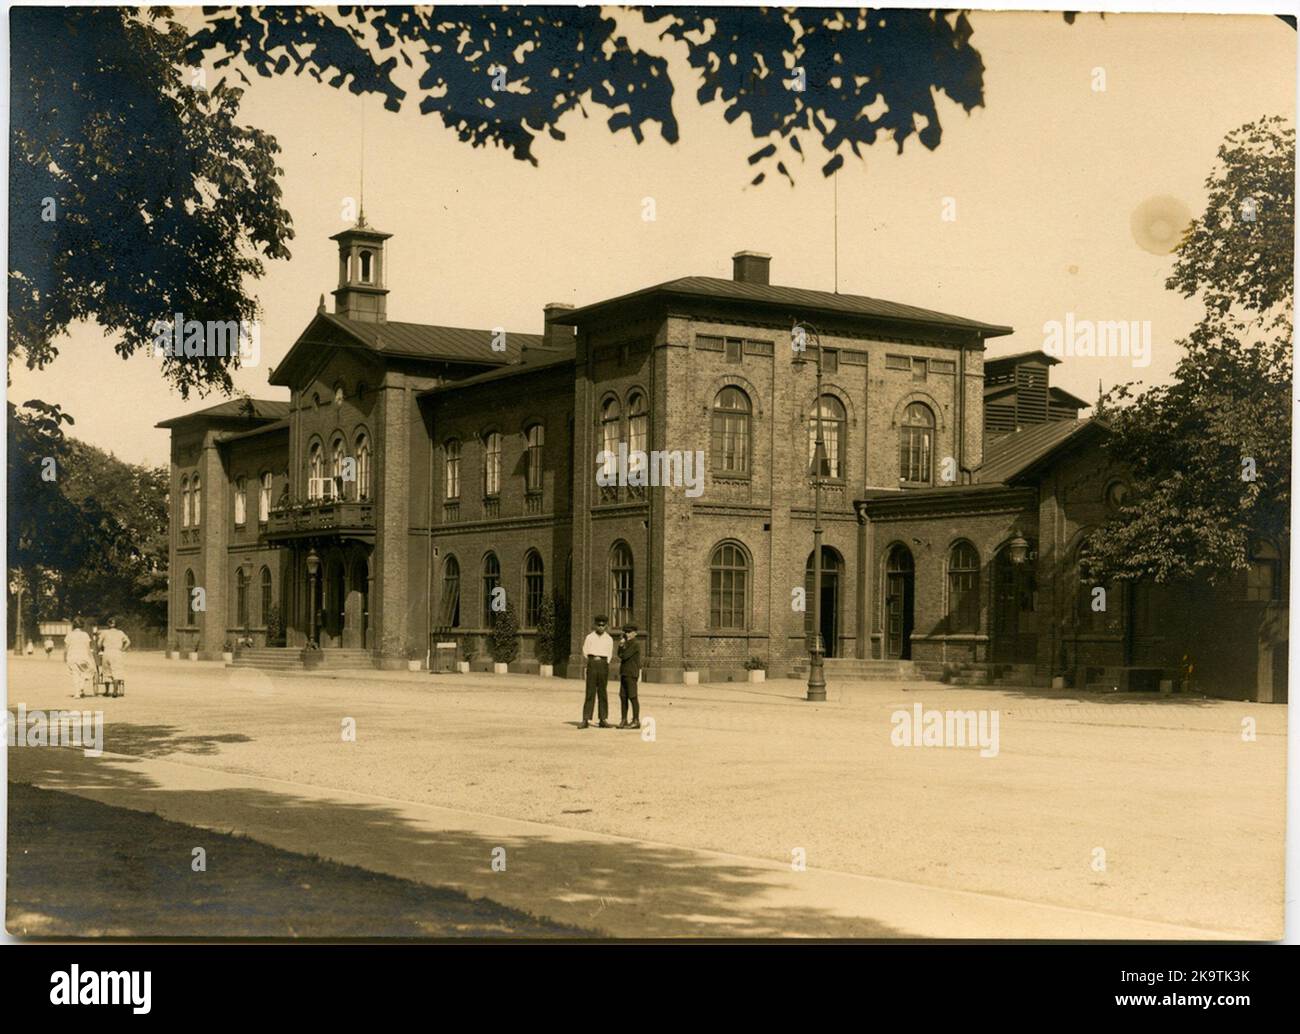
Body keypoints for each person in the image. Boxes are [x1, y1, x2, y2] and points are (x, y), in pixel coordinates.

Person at [579, 615, 615, 729]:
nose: (600, 627)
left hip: (603, 665)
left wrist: (604, 662)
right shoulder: (590, 637)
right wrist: (593, 659)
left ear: (606, 626)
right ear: (595, 625)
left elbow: (610, 653)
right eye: (598, 625)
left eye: (603, 625)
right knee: (590, 691)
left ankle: (603, 719)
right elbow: (585, 651)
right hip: (592, 664)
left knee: (602, 692)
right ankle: (586, 719)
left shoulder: (609, 639)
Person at [617, 624, 642, 729]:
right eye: (625, 632)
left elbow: (625, 655)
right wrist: (621, 646)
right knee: (623, 696)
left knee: (632, 696)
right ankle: (624, 719)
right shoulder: (626, 643)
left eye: (629, 632)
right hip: (624, 673)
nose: (627, 634)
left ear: (635, 633)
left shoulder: (635, 644)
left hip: (631, 673)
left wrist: (622, 646)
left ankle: (636, 720)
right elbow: (619, 654)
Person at [98, 618, 131, 697]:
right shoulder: (120, 633)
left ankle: (106, 691)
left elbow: (99, 643)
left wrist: (100, 649)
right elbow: (128, 642)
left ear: (108, 624)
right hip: (117, 652)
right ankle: (115, 691)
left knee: (106, 671)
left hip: (107, 652)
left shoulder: (104, 632)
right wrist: (123, 649)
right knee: (117, 670)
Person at [64, 618, 94, 699]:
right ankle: (81, 687)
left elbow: (66, 648)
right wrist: (91, 658)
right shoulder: (85, 635)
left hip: (72, 657)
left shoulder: (70, 635)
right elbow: (88, 648)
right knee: (87, 672)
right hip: (83, 656)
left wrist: (65, 657)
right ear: (82, 625)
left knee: (75, 674)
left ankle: (77, 693)